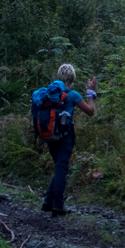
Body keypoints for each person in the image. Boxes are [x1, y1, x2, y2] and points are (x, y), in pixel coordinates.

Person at [38, 63, 97, 216]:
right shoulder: (72, 95)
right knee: (62, 169)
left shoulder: (49, 94)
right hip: (65, 136)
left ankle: (48, 202)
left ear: (59, 76)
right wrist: (91, 93)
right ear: (73, 78)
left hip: (49, 136)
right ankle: (58, 205)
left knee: (59, 167)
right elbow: (91, 112)